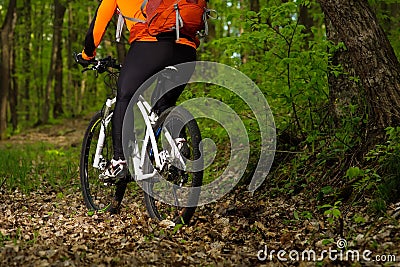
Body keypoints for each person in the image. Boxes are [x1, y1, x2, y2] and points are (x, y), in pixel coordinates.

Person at [76, 0, 198, 182]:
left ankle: (119, 161)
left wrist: (87, 55)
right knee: (164, 104)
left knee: (125, 95)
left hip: (150, 45)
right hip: (187, 50)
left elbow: (97, 28)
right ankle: (178, 144)